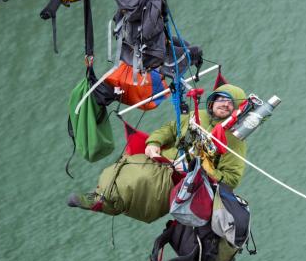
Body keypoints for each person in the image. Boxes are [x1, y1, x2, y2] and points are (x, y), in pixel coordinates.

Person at [67, 84, 248, 224]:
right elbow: (170, 129)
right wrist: (154, 142)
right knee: (126, 165)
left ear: (236, 110)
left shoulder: (235, 141)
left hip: (181, 179)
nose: (224, 104)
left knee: (141, 181)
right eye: (221, 99)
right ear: (212, 100)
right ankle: (101, 194)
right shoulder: (197, 114)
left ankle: (104, 203)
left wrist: (203, 168)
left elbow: (231, 179)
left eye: (230, 103)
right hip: (160, 159)